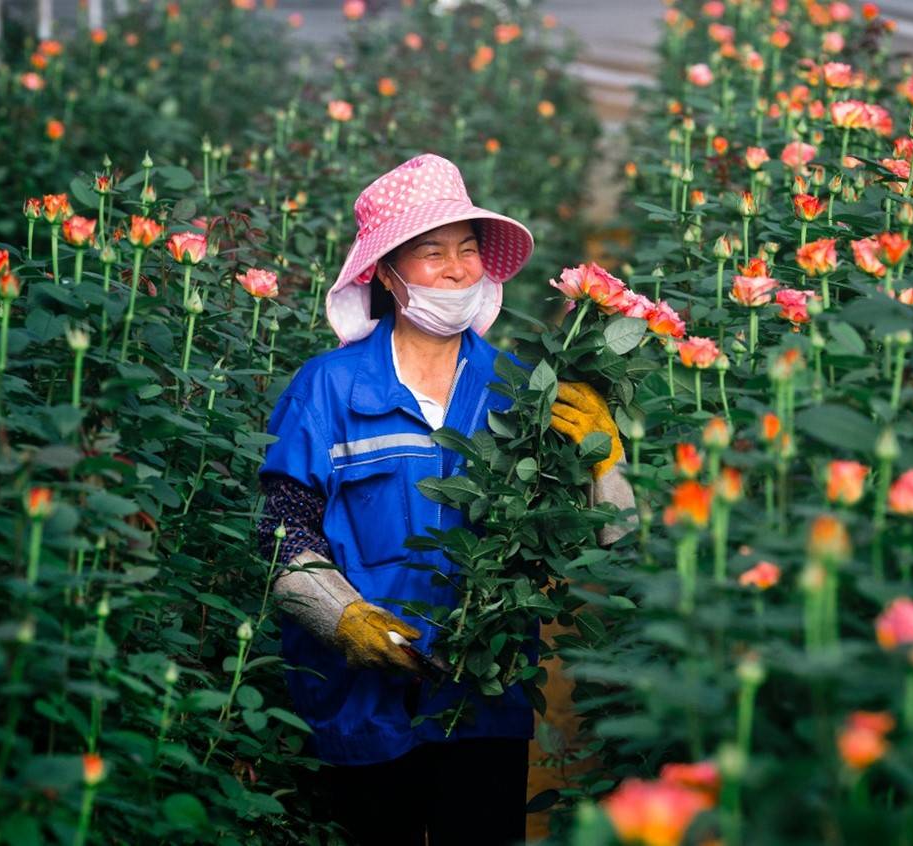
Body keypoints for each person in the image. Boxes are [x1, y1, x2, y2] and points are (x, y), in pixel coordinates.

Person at [256, 153, 634, 845]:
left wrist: (605, 465)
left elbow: (606, 545)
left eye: (468, 251)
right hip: (362, 697)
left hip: (483, 694)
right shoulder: (328, 389)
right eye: (433, 254)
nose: (459, 269)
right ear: (387, 274)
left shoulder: (523, 388)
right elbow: (284, 530)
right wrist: (343, 618)